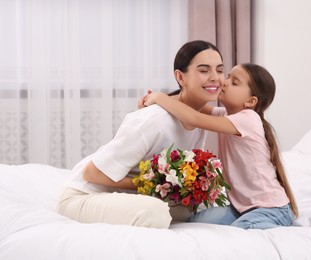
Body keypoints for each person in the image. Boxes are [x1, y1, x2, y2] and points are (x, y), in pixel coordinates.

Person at [57, 40, 225, 228]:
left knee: (200, 206)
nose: (214, 77)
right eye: (204, 70)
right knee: (154, 213)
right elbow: (92, 173)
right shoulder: (154, 119)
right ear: (180, 77)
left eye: (219, 70)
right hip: (85, 195)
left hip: (125, 197)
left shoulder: (199, 119)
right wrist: (158, 184)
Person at [142, 63, 298, 229]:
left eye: (234, 82)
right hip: (240, 208)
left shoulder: (248, 119)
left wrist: (160, 98)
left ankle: (288, 225)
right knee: (196, 223)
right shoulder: (226, 115)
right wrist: (155, 100)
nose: (225, 82)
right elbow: (193, 106)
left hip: (271, 209)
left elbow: (193, 118)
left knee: (240, 233)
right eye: (229, 76)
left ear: (250, 101)